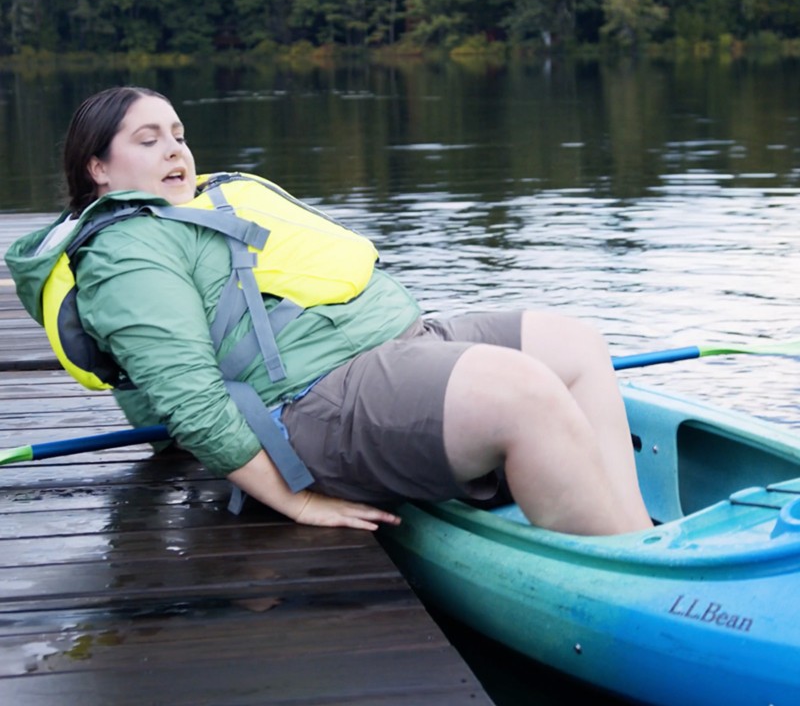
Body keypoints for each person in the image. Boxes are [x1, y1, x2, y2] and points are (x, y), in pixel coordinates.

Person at [6, 86, 652, 536]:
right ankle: (628, 581)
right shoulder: (124, 253)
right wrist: (295, 500)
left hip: (394, 346)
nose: (176, 150)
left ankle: (633, 534)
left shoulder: (206, 204)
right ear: (98, 169)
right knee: (527, 392)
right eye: (148, 141)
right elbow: (189, 401)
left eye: (178, 135)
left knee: (573, 345)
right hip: (312, 405)